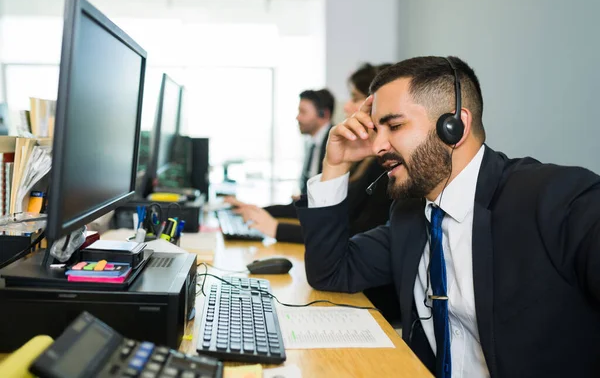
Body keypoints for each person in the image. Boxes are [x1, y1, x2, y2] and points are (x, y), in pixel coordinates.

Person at [295, 56, 600, 377]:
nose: (377, 146)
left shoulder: (556, 197)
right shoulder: (410, 214)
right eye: (376, 129)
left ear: (455, 126)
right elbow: (330, 272)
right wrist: (335, 166)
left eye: (395, 126)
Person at [232, 64, 393, 244]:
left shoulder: (380, 167)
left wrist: (277, 229)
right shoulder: (360, 159)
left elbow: (348, 231)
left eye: (355, 98)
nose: (347, 107)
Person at [226, 88, 335, 220]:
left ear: (324, 114)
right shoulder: (313, 144)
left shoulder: (335, 146)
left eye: (303, 112)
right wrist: (254, 209)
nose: (297, 117)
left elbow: (321, 203)